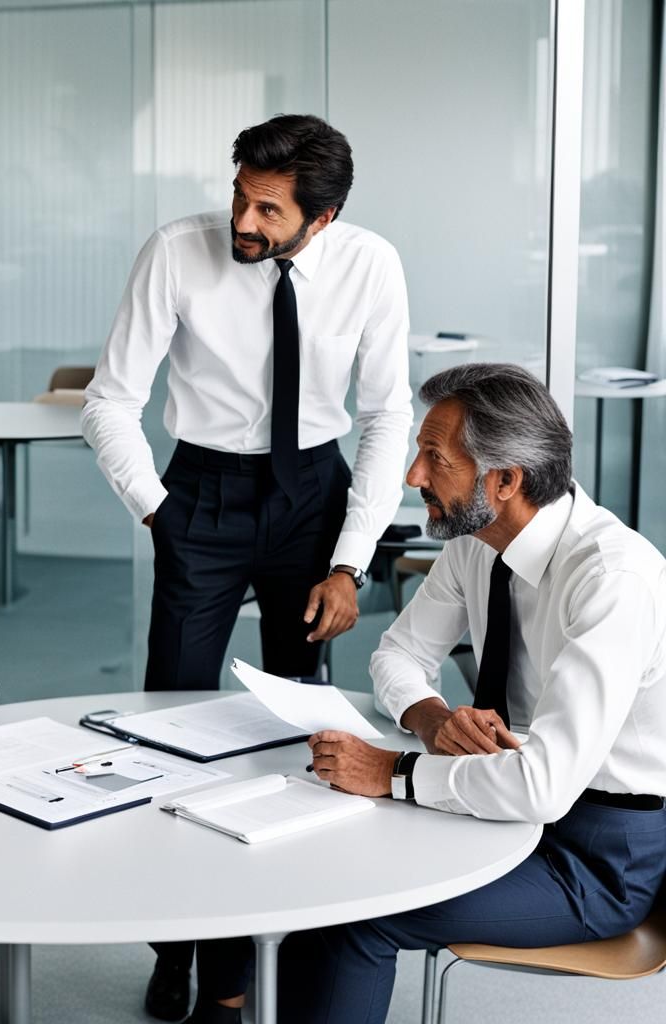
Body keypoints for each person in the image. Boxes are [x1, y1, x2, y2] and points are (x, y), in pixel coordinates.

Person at [82, 113, 413, 1020]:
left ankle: (281, 937)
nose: (243, 220)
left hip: (314, 499)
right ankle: (180, 947)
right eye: (239, 196)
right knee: (173, 722)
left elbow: (387, 415)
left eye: (269, 209)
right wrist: (160, 513)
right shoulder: (175, 253)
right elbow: (109, 400)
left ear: (323, 217)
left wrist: (350, 562)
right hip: (203, 495)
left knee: (296, 727)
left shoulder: (370, 266)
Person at [251, 362, 666, 1023]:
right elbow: (398, 655)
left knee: (358, 915)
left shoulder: (614, 581)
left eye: (434, 458)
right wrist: (431, 718)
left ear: (505, 481)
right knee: (319, 866)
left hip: (594, 855)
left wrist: (393, 772)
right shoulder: (480, 541)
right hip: (504, 797)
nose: (413, 476)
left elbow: (544, 786)